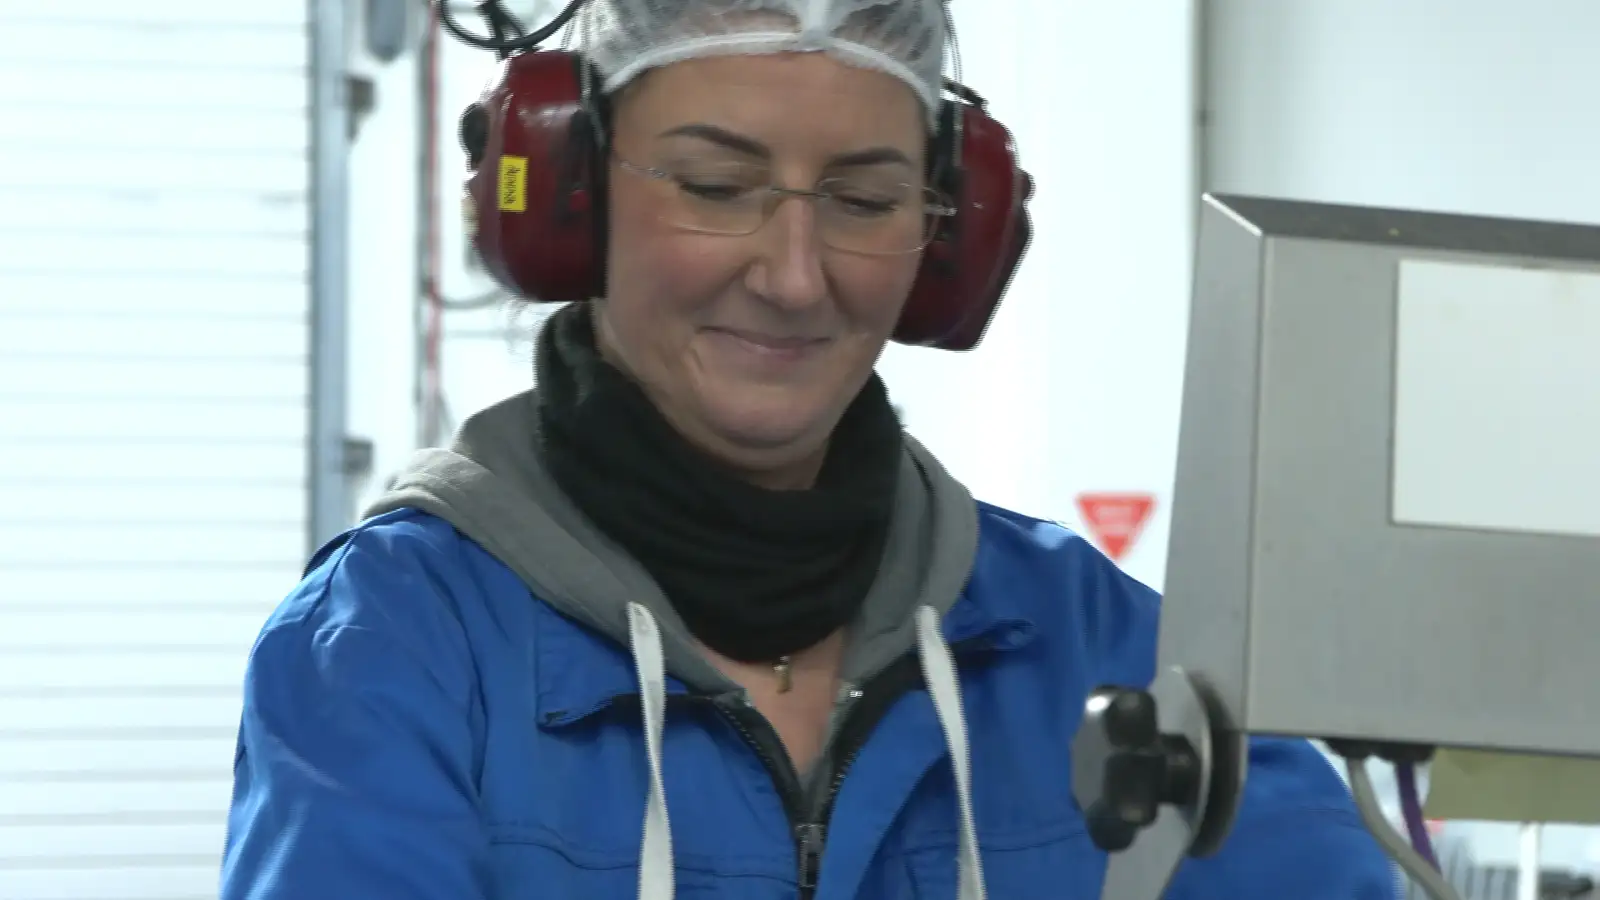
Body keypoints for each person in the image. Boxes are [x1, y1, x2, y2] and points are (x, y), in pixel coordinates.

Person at [220, 1, 1398, 897]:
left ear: (948, 238)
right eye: (715, 186)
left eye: (864, 201)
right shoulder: (394, 646)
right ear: (570, 197)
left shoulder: (1096, 647)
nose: (792, 278)